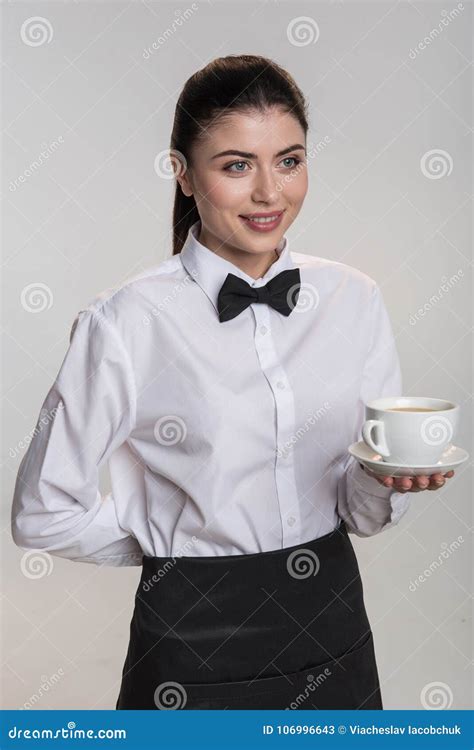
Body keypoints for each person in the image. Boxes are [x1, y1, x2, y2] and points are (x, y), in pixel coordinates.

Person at [11, 54, 454, 711]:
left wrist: (388, 481)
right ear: (184, 175)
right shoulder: (126, 323)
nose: (270, 193)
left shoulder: (352, 301)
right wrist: (174, 548)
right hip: (191, 640)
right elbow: (41, 513)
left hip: (332, 625)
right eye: (236, 165)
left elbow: (362, 513)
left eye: (290, 160)